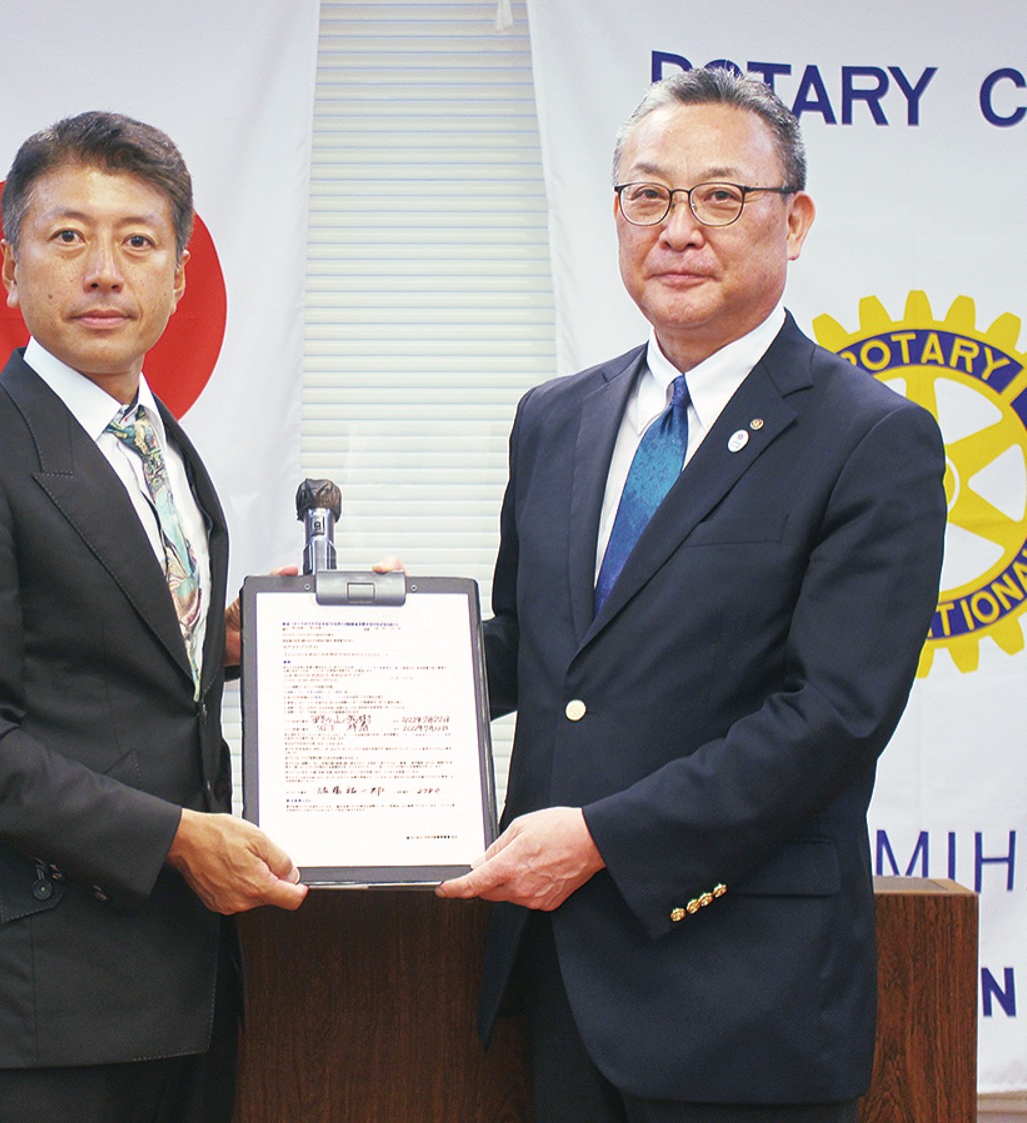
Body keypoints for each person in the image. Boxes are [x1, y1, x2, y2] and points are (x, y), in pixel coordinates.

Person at [437, 68, 947, 1122]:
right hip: (563, 976)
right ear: (616, 215)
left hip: (743, 990)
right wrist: (343, 643)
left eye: (721, 197)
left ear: (793, 221)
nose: (678, 228)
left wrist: (604, 837)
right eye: (648, 195)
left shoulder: (869, 438)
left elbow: (834, 714)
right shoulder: (555, 418)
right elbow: (533, 649)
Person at [0, 111, 307, 1123]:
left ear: (180, 276)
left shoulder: (168, 451)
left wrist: (231, 643)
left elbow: (116, 657)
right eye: (69, 236)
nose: (105, 269)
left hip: (188, 984)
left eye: (138, 240)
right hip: (37, 1004)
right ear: (12, 269)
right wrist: (174, 839)